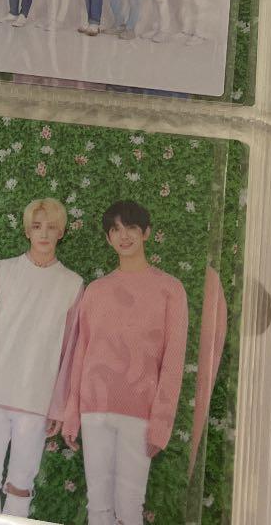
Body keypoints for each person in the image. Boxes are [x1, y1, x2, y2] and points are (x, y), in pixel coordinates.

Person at [63, 201, 188, 525]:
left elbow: (173, 363)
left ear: (146, 233)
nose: (124, 236)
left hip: (140, 414)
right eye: (115, 230)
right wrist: (71, 414)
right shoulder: (96, 290)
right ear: (108, 238)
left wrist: (161, 423)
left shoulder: (170, 290)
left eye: (131, 227)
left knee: (130, 508)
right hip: (94, 411)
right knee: (98, 506)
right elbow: (81, 353)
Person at [0, 199, 83, 518]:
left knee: (20, 485)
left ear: (62, 232)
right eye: (37, 226)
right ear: (26, 231)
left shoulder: (72, 284)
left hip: (37, 400)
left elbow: (70, 351)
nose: (43, 234)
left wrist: (59, 405)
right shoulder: (2, 271)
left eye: (51, 227)